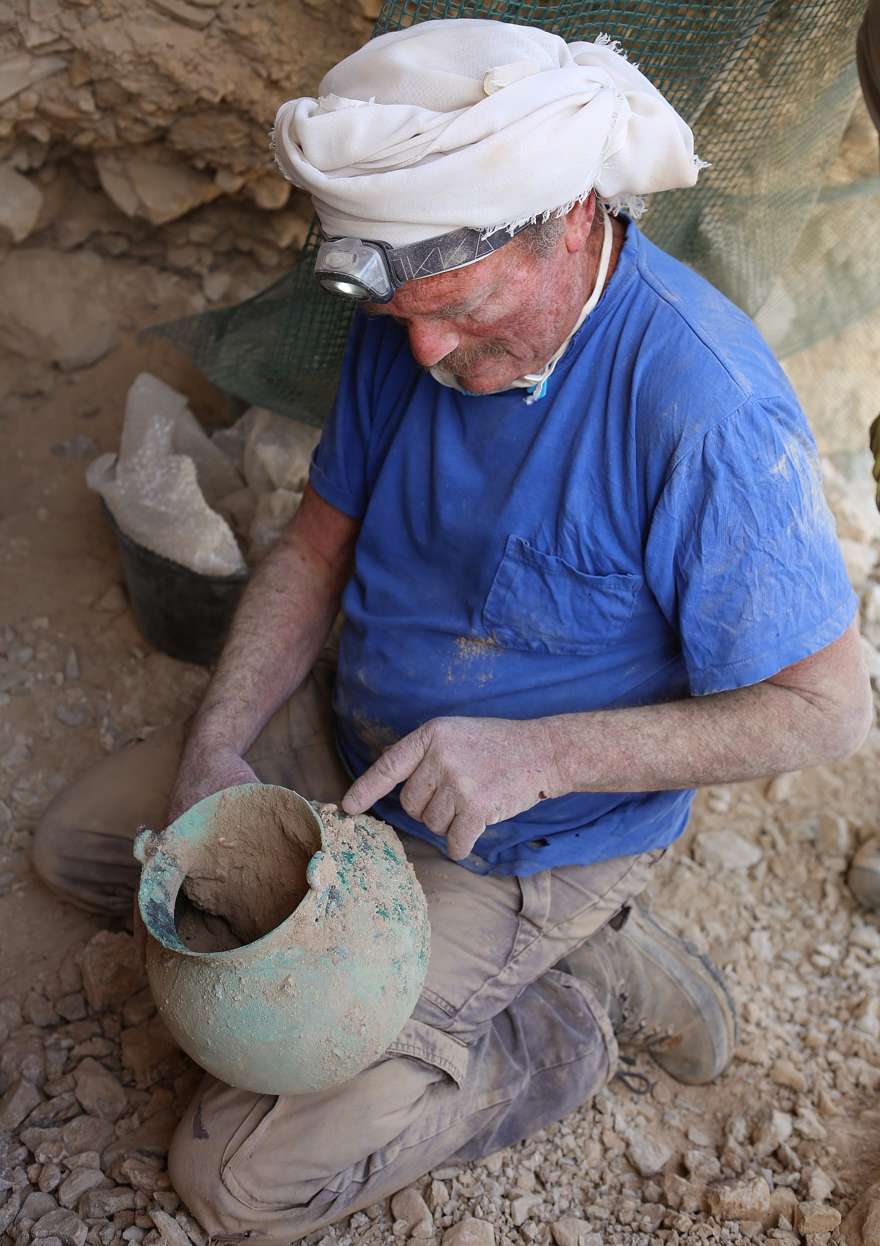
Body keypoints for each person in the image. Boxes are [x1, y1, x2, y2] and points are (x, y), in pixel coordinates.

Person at [33, 19, 871, 1242]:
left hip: (524, 838)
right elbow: (317, 545)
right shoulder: (413, 328)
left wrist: (533, 757)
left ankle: (561, 1019)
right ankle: (483, 957)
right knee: (86, 855)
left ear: (573, 220)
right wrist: (223, 742)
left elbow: (829, 706)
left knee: (236, 1180)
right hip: (358, 749)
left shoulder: (703, 406)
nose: (425, 351)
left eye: (462, 312)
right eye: (407, 316)